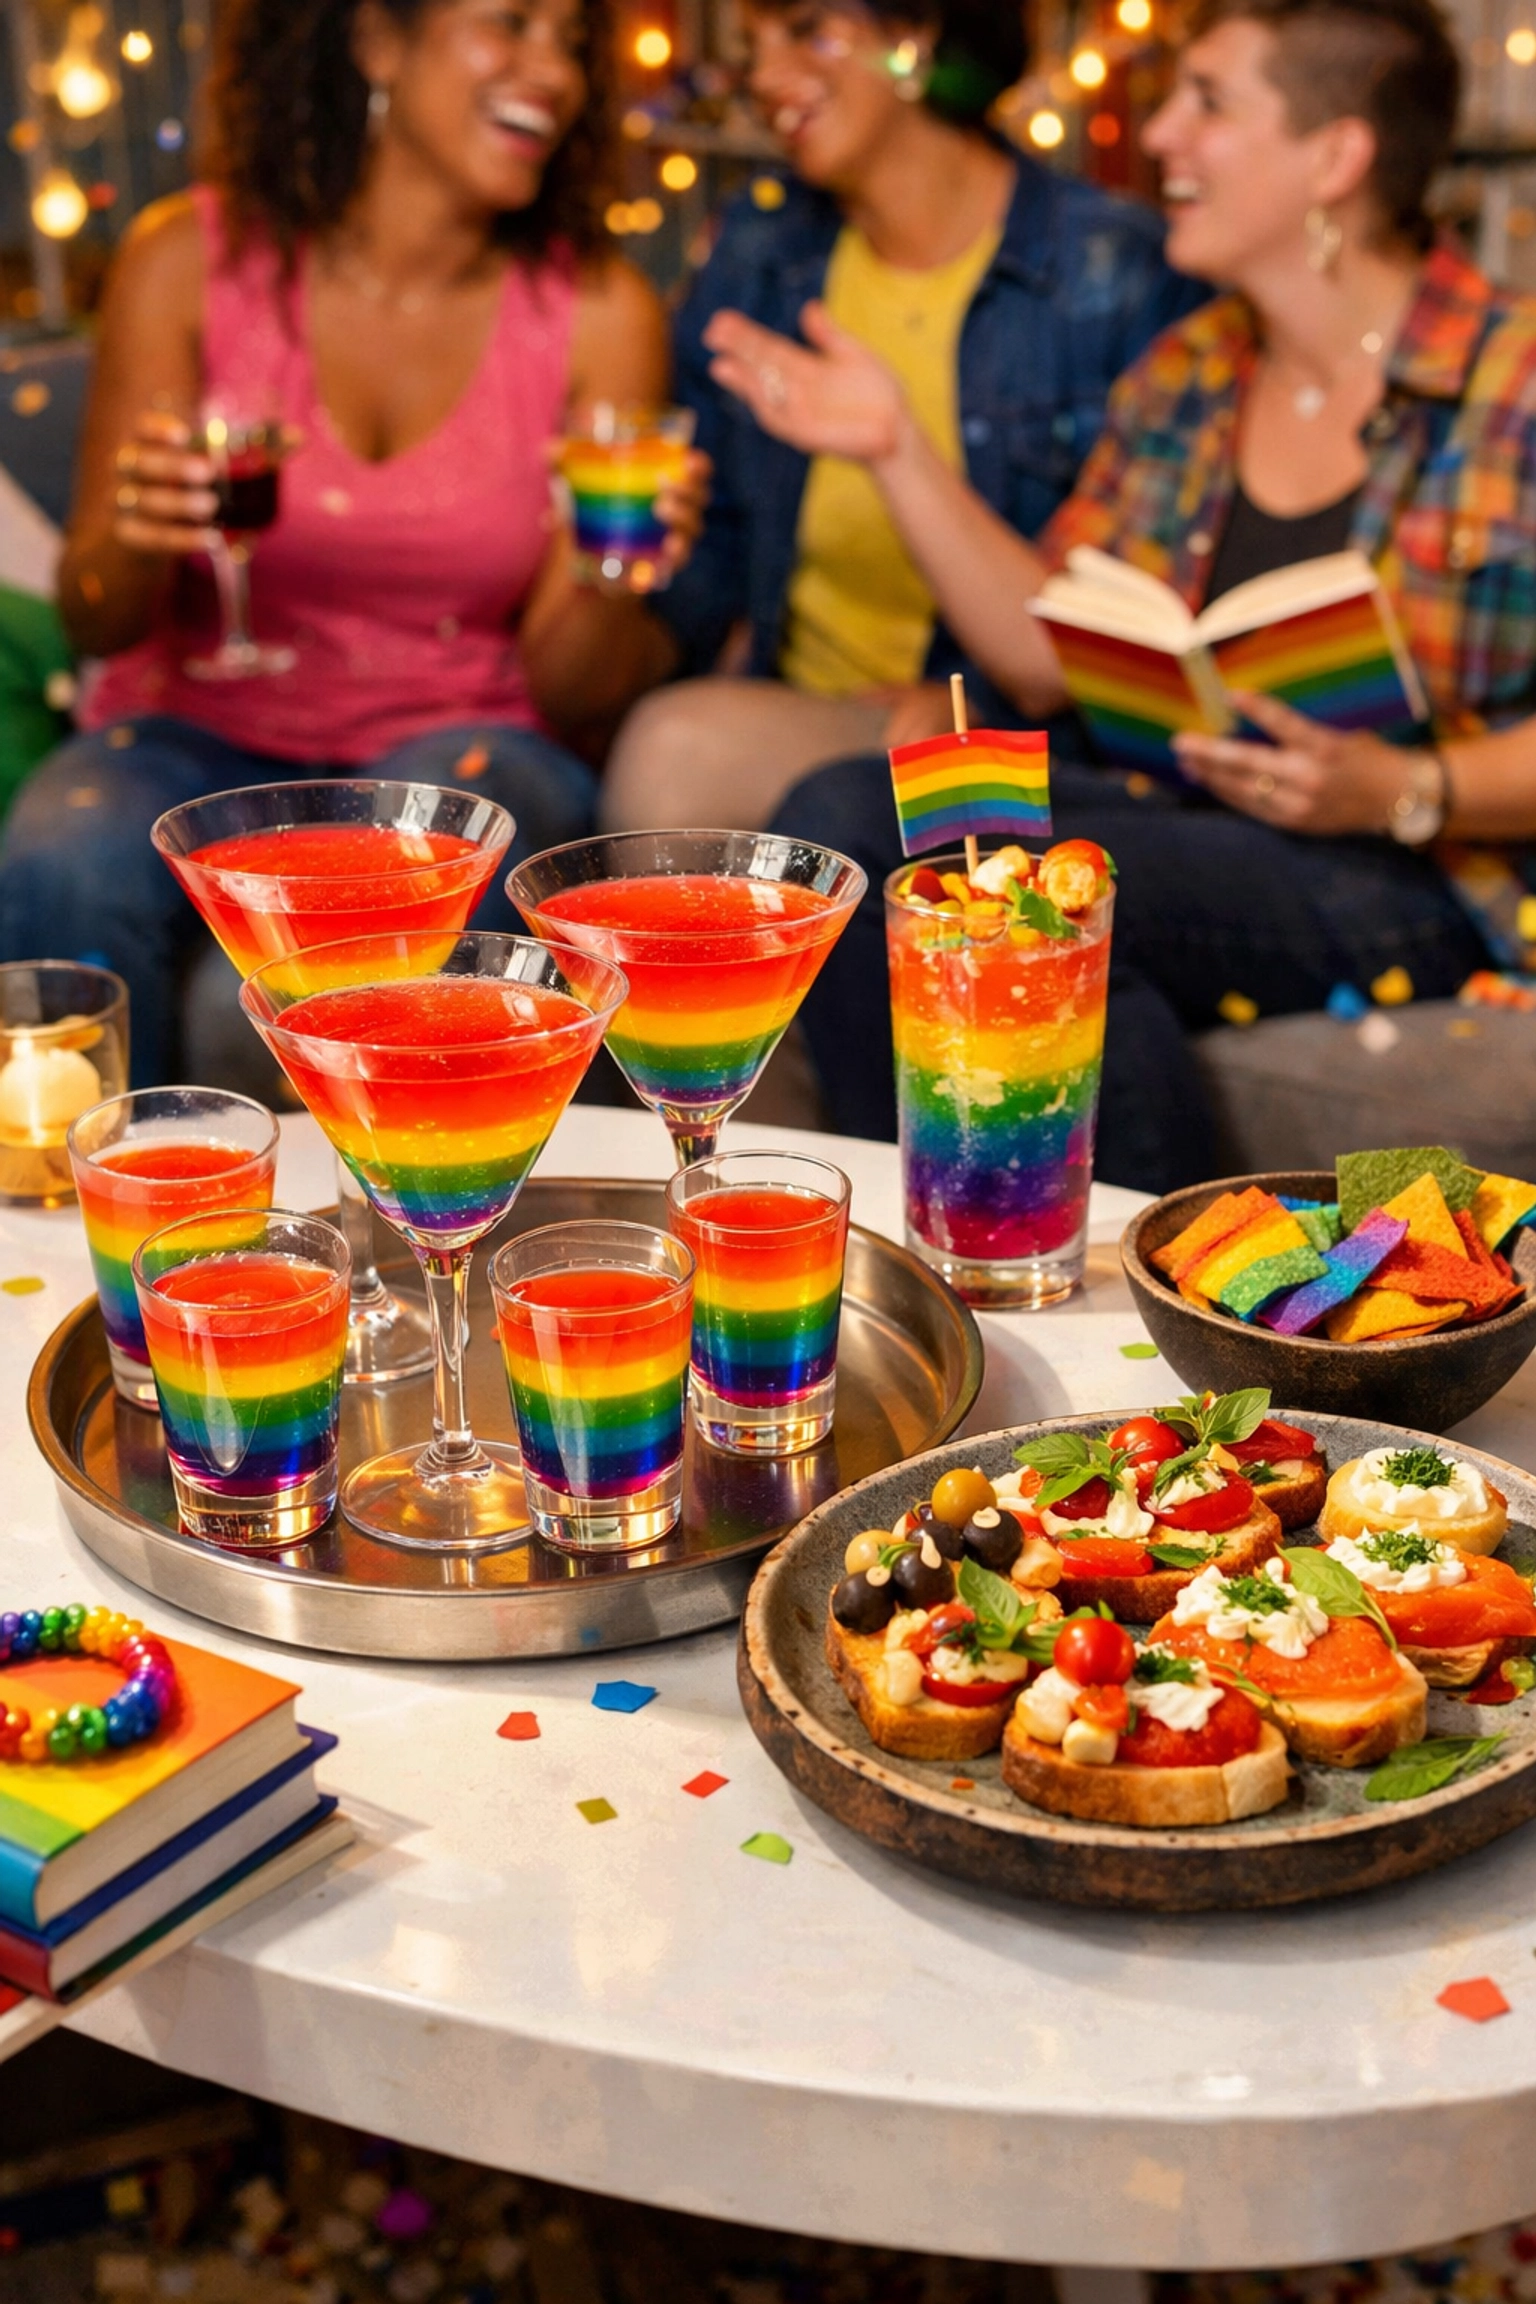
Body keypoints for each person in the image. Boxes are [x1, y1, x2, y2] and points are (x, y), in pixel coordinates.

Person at [772, 0, 1536, 1189]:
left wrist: (1407, 788)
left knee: (978, 878)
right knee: (852, 812)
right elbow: (1037, 656)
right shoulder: (1189, 370)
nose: (1162, 134)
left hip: (1416, 868)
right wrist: (893, 448)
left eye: (1209, 104)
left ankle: (1071, 1277)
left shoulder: (1517, 381)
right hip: (1172, 812)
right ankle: (987, 1261)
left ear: (1336, 157)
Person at [0, 0, 703, 1081]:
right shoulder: (182, 259)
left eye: (570, 42)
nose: (552, 71)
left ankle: (403, 1233)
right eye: (510, 23)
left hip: (459, 743)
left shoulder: (601, 309)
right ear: (376, 38)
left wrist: (616, 575)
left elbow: (577, 694)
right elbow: (98, 610)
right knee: (63, 847)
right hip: (192, 731)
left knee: (406, 891)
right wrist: (138, 538)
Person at [597, 0, 1202, 836]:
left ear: (914, 39)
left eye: (807, 30)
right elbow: (708, 565)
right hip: (802, 718)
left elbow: (1137, 606)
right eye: (754, 47)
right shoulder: (762, 245)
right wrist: (612, 564)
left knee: (678, 754)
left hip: (1023, 748)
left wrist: (970, 699)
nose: (765, 77)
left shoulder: (1117, 268)